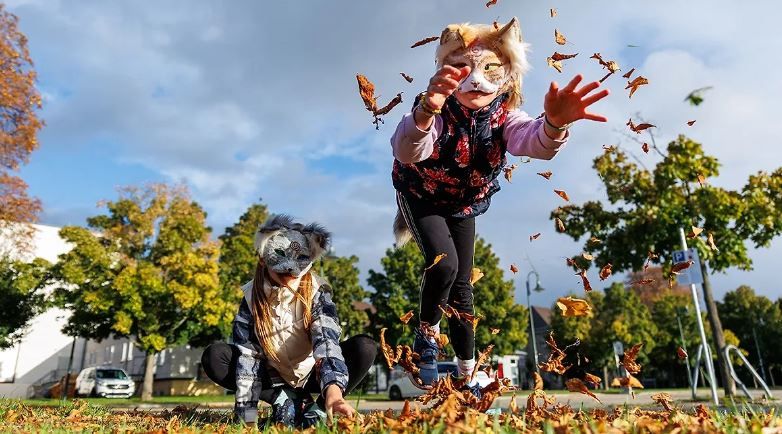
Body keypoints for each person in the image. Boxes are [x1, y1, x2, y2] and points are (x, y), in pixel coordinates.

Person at [390, 18, 609, 393]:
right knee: (445, 266)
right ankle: (426, 336)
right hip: (422, 194)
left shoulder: (506, 116)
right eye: (462, 69)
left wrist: (554, 125)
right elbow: (409, 150)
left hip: (464, 204)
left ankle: (466, 370)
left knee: (463, 288)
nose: (475, 80)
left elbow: (533, 142)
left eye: (489, 69)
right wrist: (427, 110)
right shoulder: (436, 109)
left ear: (507, 76)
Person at [201, 215, 378, 427]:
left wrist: (334, 393)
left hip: (312, 372)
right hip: (272, 375)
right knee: (215, 356)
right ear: (262, 259)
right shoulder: (250, 298)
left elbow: (327, 343)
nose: (291, 273)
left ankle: (319, 407)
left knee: (365, 347)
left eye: (297, 270)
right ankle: (282, 397)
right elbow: (248, 359)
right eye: (282, 270)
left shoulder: (317, 292)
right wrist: (247, 419)